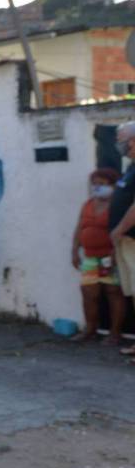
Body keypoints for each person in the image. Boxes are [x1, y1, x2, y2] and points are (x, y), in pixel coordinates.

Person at [72, 168, 124, 344]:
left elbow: (121, 231)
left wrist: (116, 254)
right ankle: (90, 329)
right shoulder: (87, 204)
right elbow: (80, 228)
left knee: (113, 293)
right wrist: (74, 250)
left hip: (108, 257)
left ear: (112, 186)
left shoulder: (117, 205)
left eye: (101, 184)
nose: (96, 187)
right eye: (94, 183)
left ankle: (115, 334)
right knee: (88, 292)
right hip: (90, 257)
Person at [108, 121, 135, 356]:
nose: (118, 143)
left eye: (121, 138)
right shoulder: (131, 168)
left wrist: (119, 229)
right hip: (127, 241)